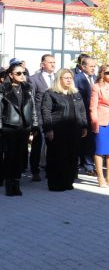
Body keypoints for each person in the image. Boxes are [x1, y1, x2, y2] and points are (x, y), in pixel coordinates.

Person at [40, 68, 88, 191]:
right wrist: (49, 129)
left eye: (70, 78)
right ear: (59, 79)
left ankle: (68, 181)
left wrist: (84, 125)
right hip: (58, 131)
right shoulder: (50, 93)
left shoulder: (75, 94)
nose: (69, 80)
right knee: (57, 157)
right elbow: (46, 112)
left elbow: (82, 111)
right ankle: (56, 183)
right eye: (66, 78)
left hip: (74, 130)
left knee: (71, 157)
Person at [1, 60, 34, 196]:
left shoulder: (27, 88)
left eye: (23, 73)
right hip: (9, 127)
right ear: (11, 75)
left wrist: (34, 126)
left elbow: (33, 110)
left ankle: (17, 182)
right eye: (18, 73)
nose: (22, 75)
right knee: (10, 156)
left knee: (21, 156)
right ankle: (10, 184)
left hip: (24, 127)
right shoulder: (3, 89)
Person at [29, 53, 56, 182]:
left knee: (52, 145)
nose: (53, 64)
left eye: (54, 62)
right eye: (50, 62)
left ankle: (50, 170)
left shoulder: (57, 78)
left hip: (54, 118)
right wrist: (33, 120)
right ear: (42, 64)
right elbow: (31, 100)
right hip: (39, 118)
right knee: (37, 145)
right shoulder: (34, 79)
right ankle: (35, 171)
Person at [74, 55, 97, 175]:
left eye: (94, 66)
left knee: (91, 141)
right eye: (91, 66)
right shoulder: (77, 79)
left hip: (94, 115)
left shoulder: (96, 78)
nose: (93, 68)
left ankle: (89, 165)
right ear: (83, 67)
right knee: (81, 140)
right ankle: (77, 165)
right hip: (82, 114)